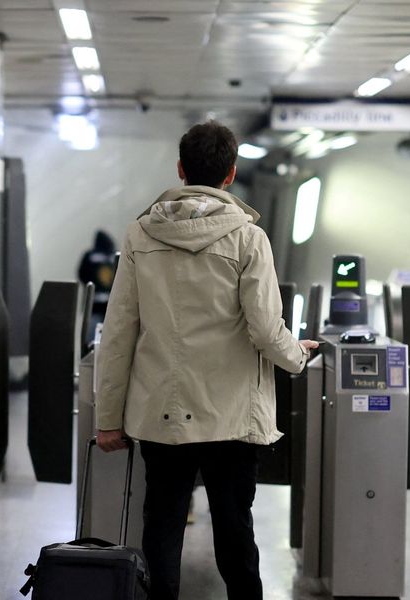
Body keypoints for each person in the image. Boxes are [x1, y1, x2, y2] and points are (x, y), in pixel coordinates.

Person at [93, 121, 319, 600]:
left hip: (162, 413)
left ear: (181, 169)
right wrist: (296, 356)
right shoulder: (248, 239)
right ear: (230, 173)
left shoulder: (140, 235)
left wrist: (108, 419)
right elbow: (265, 329)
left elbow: (119, 333)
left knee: (162, 526)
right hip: (231, 415)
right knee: (235, 531)